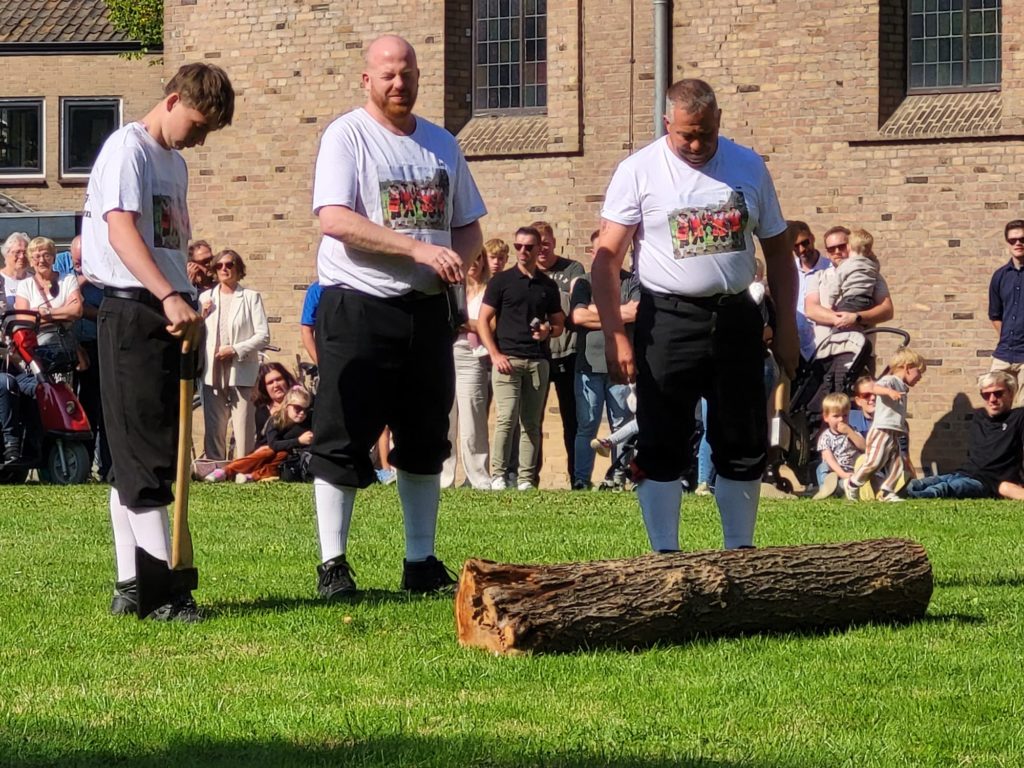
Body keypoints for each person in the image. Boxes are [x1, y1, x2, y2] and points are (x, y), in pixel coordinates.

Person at [309, 34, 485, 599]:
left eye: (406, 73)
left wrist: (457, 261)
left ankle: (420, 561)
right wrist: (418, 250)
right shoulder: (347, 136)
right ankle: (333, 565)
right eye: (387, 74)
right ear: (367, 79)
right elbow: (334, 219)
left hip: (426, 311)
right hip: (358, 304)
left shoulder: (441, 144)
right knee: (342, 435)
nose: (398, 83)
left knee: (426, 436)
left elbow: (468, 223)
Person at [592, 78, 798, 552]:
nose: (697, 144)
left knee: (742, 439)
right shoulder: (638, 170)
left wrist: (786, 326)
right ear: (668, 123)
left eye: (706, 133)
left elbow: (778, 250)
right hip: (667, 319)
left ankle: (739, 551)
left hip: (737, 317)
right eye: (686, 135)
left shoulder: (748, 166)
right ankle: (665, 553)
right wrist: (616, 335)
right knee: (662, 439)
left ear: (719, 120)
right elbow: (606, 259)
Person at [81, 62, 235, 621]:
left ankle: (132, 585)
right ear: (172, 101)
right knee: (142, 454)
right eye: (198, 124)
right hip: (132, 311)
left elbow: (168, 243)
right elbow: (120, 229)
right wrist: (166, 294)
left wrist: (184, 298)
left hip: (170, 312)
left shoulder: (174, 163)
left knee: (144, 454)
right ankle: (161, 592)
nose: (199, 139)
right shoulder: (130, 150)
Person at [478, 227, 564, 490]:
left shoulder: (548, 285)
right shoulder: (501, 282)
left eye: (528, 247)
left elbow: (559, 324)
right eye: (518, 246)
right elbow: (483, 320)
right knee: (506, 419)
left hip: (537, 360)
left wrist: (548, 331)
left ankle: (526, 479)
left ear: (539, 249)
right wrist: (495, 354)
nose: (523, 251)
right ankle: (498, 475)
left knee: (531, 422)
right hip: (507, 360)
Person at [569, 229, 639, 490]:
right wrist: (619, 314)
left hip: (621, 365)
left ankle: (617, 477)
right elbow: (578, 317)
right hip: (588, 365)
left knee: (621, 424)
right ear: (592, 253)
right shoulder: (584, 283)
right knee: (587, 425)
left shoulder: (631, 282)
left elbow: (636, 313)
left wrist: (595, 313)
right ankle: (581, 479)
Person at [803, 226, 894, 404]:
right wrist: (839, 319)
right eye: (831, 249)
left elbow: (887, 309)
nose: (837, 251)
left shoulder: (871, 273)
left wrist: (857, 317)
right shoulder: (820, 276)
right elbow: (811, 309)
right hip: (827, 355)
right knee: (826, 410)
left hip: (859, 354)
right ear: (827, 253)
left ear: (851, 246)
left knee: (856, 408)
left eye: (841, 246)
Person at [199, 248, 270, 461]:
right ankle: (216, 468)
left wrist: (235, 349)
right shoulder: (206, 297)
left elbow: (263, 336)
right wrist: (201, 315)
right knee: (214, 426)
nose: (224, 269)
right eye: (219, 265)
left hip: (241, 368)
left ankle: (242, 469)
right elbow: (197, 333)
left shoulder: (250, 297)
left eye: (229, 265)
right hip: (212, 370)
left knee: (243, 425)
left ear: (238, 269)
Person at [906, 371, 1024, 499]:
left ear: (1011, 393)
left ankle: (914, 497)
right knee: (917, 484)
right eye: (986, 395)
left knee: (941, 490)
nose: (992, 399)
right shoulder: (979, 417)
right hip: (963, 473)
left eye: (998, 393)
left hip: (987, 482)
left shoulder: (1018, 417)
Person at [533, 220, 585, 483]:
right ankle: (529, 478)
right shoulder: (526, 273)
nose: (542, 249)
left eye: (546, 243)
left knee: (572, 420)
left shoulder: (572, 269)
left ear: (554, 242)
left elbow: (576, 305)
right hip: (538, 355)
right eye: (537, 244)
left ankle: (577, 478)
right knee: (532, 420)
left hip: (569, 352)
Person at [59, 235, 112, 479]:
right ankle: (77, 465)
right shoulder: (61, 263)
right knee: (72, 407)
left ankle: (106, 466)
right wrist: (78, 283)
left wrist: (80, 309)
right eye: (76, 260)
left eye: (83, 261)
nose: (78, 265)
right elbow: (60, 300)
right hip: (67, 346)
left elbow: (106, 313)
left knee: (100, 406)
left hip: (97, 345)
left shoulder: (106, 270)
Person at [844, 348, 925, 502]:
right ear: (907, 367)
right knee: (874, 461)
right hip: (882, 430)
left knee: (897, 464)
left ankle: (887, 492)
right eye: (919, 372)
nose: (920, 377)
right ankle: (852, 483)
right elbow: (874, 387)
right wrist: (889, 392)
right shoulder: (891, 380)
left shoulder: (902, 386)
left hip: (893, 431)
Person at [450, 242, 497, 490]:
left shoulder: (489, 290)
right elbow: (446, 319)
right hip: (448, 354)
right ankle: (444, 478)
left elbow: (489, 326)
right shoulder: (454, 289)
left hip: (473, 357)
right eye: (472, 258)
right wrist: (473, 323)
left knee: (473, 420)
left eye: (480, 258)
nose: (475, 263)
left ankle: (478, 478)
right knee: (446, 419)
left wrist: (463, 322)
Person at [14, 237, 84, 348]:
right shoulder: (24, 286)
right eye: (37, 256)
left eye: (46, 255)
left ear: (54, 259)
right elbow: (23, 319)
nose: (42, 260)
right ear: (31, 261)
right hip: (37, 347)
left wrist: (45, 312)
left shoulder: (68, 280)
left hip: (66, 346)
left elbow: (76, 311)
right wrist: (64, 313)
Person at [988, 219, 1024, 406]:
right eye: (1013, 240)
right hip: (1003, 354)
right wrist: (1007, 338)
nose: (1018, 243)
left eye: (1022, 239)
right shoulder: (1000, 276)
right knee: (994, 403)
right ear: (1007, 243)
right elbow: (995, 315)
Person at [790, 221, 831, 363]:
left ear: (812, 238)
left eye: (805, 243)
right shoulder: (788, 272)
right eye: (795, 246)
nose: (801, 249)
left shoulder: (830, 268)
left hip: (825, 346)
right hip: (797, 349)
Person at [812, 392, 866, 499]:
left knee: (864, 461)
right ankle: (826, 489)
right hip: (834, 472)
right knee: (822, 467)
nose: (841, 419)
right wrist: (841, 474)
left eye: (845, 415)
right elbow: (829, 459)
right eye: (836, 416)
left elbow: (864, 447)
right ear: (826, 417)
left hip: (852, 472)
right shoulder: (825, 437)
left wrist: (850, 432)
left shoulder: (853, 431)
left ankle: (841, 489)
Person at [1, 232, 30, 307]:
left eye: (25, 252)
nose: (22, 256)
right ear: (6, 253)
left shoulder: (34, 280)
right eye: (17, 252)